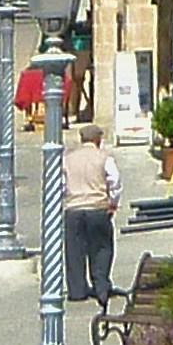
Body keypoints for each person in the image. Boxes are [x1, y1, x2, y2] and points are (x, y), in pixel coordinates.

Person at [56, 116, 118, 307]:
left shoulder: (68, 159)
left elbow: (61, 184)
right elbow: (114, 181)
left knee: (74, 251)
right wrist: (112, 202)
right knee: (101, 248)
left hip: (74, 209)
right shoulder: (104, 157)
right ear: (98, 139)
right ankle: (101, 285)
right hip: (97, 207)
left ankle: (77, 290)